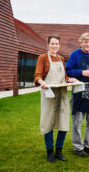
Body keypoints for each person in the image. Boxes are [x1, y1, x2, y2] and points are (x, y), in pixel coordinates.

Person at [34, 34, 78, 163]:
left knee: (63, 122)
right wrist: (41, 82)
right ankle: (49, 152)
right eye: (52, 43)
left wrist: (71, 79)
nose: (54, 46)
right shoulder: (42, 58)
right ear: (48, 45)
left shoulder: (61, 58)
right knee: (47, 122)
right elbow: (37, 76)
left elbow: (64, 77)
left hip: (62, 93)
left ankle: (59, 151)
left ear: (59, 45)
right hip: (49, 93)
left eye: (56, 44)